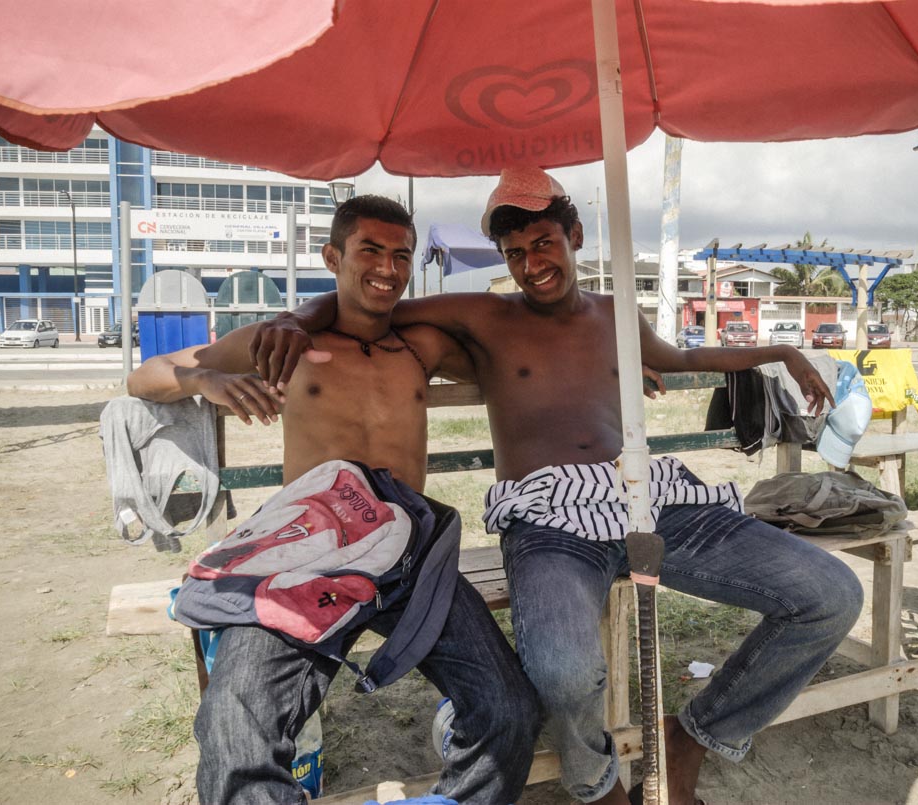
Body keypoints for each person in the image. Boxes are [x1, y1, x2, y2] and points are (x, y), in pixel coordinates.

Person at [250, 169, 864, 805]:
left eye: (543, 243)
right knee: (563, 671)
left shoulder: (615, 315)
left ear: (574, 236)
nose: (531, 264)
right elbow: (370, 303)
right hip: (548, 517)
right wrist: (293, 318)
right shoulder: (485, 315)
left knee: (831, 595)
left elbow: (683, 358)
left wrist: (781, 353)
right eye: (514, 253)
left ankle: (693, 736)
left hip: (648, 498)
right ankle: (597, 784)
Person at [127, 195, 539, 805]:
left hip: (409, 556)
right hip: (308, 556)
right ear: (332, 257)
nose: (388, 268)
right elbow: (144, 376)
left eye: (401, 255)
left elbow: (510, 352)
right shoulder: (282, 344)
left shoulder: (420, 345)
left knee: (510, 709)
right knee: (234, 726)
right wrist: (205, 379)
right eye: (370, 250)